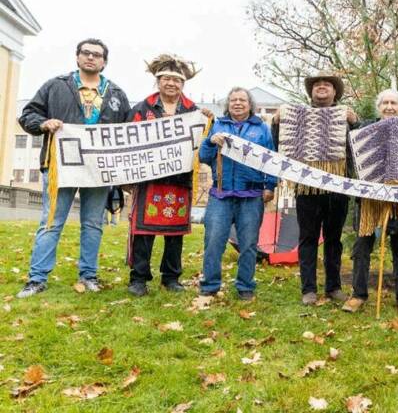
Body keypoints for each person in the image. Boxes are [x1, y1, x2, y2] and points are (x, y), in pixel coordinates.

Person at [17, 38, 130, 298]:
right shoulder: (56, 86)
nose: (91, 57)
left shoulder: (116, 94)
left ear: (104, 61)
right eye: (86, 53)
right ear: (78, 57)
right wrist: (44, 123)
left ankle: (88, 275)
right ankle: (37, 278)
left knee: (92, 223)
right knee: (51, 221)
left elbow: (130, 130)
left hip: (98, 169)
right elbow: (28, 115)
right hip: (59, 165)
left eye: (97, 55)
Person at [126, 54, 211, 297]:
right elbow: (128, 140)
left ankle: (171, 277)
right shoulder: (142, 108)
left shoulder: (193, 110)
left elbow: (204, 142)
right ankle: (138, 278)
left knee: (174, 235)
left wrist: (208, 121)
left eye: (176, 80)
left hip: (179, 181)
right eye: (166, 79)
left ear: (183, 84)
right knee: (143, 232)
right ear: (158, 81)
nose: (171, 84)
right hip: (149, 180)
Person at [271, 73, 359, 305]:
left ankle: (333, 287)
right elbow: (279, 144)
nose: (321, 87)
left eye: (327, 84)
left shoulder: (346, 117)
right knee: (307, 238)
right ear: (311, 92)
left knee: (334, 239)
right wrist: (277, 122)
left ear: (335, 92)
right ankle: (308, 289)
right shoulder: (297, 117)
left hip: (337, 187)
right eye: (317, 85)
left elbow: (358, 146)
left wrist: (355, 123)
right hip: (306, 187)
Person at [342, 89, 398, 317]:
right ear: (378, 107)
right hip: (369, 201)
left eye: (394, 103)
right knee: (362, 248)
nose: (389, 107)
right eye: (385, 103)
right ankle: (358, 294)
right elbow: (354, 150)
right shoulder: (365, 130)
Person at [198, 87, 276, 300]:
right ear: (228, 104)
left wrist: (270, 186)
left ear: (250, 105)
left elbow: (271, 159)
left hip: (251, 194)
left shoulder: (262, 129)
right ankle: (210, 286)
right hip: (220, 194)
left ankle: (245, 286)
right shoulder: (217, 125)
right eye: (233, 100)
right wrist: (210, 142)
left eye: (242, 100)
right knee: (213, 240)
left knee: (249, 244)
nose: (238, 103)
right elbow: (203, 157)